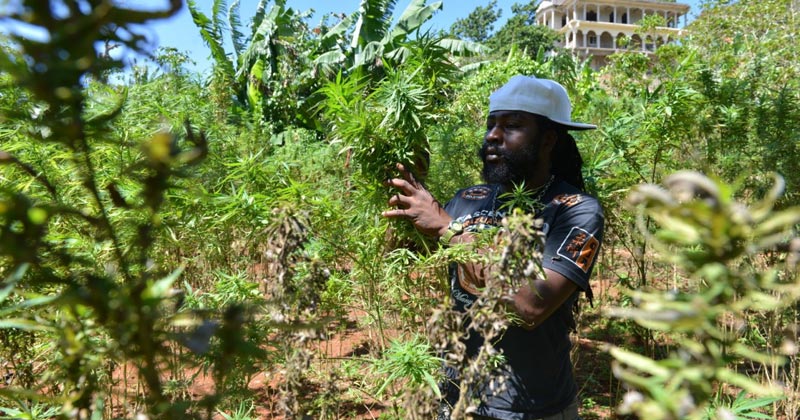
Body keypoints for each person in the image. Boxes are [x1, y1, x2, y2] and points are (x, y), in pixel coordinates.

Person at [382, 75, 604, 420]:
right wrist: (398, 188)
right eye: (491, 125)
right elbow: (407, 257)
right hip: (457, 399)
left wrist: (448, 228)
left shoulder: (575, 209)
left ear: (548, 140)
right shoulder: (468, 199)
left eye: (512, 125)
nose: (493, 136)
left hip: (531, 409)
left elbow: (530, 307)